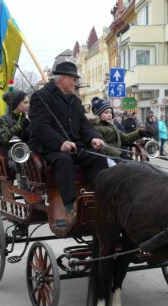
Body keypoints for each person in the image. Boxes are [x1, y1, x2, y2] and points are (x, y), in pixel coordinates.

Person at [29, 61, 107, 230]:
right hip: (49, 149)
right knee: (65, 161)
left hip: (76, 147)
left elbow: (84, 125)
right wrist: (60, 143)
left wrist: (93, 138)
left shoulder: (74, 100)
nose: (75, 83)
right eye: (73, 79)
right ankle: (70, 207)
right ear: (62, 78)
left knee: (99, 158)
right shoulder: (41, 96)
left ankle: (99, 200)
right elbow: (40, 127)